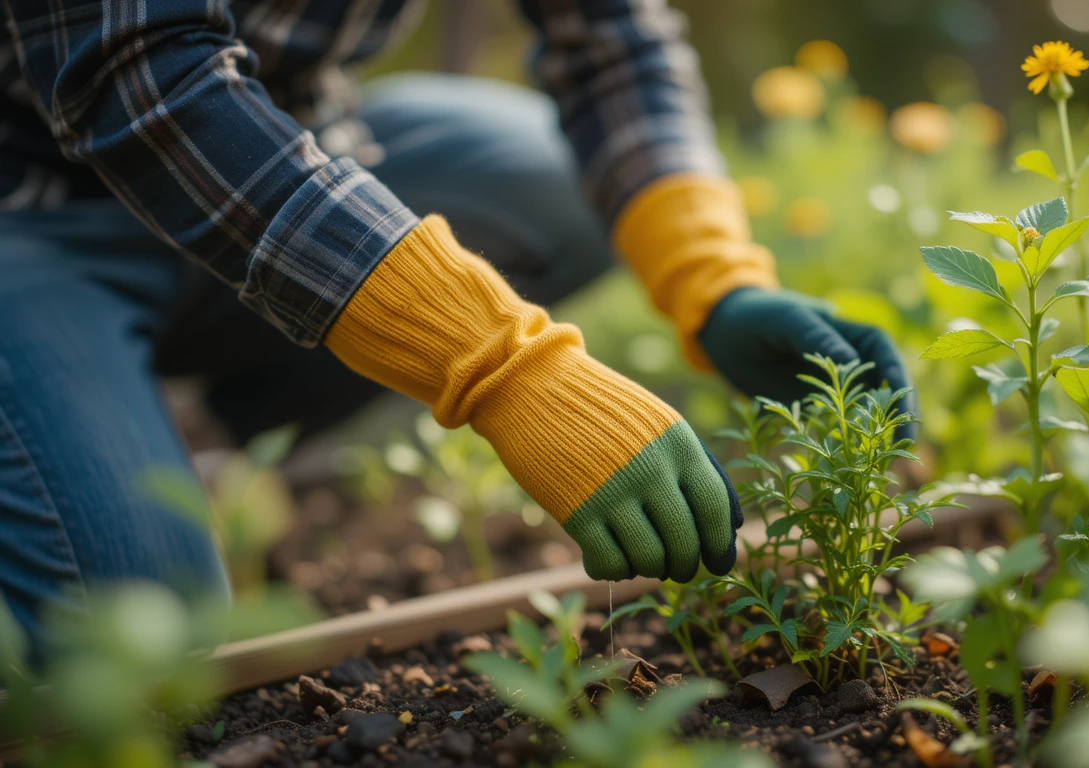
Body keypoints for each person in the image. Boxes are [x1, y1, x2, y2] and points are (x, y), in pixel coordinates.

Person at [0, 0, 914, 653]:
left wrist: (712, 281)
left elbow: (614, 43)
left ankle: (206, 431)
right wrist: (500, 364)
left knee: (556, 186)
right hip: (30, 212)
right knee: (139, 639)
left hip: (276, 151)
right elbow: (137, 69)